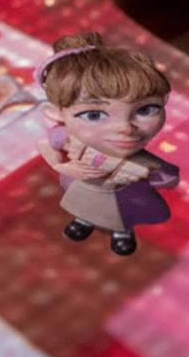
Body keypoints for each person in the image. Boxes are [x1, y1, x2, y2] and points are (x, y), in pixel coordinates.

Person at [34, 31, 178, 256]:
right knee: (83, 206)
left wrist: (161, 176)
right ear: (55, 116)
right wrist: (60, 166)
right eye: (93, 115)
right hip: (84, 185)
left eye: (145, 109)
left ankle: (122, 233)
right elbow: (45, 144)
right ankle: (83, 222)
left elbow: (167, 177)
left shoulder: (139, 160)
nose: (125, 128)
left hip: (125, 195)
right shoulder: (69, 139)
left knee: (122, 215)